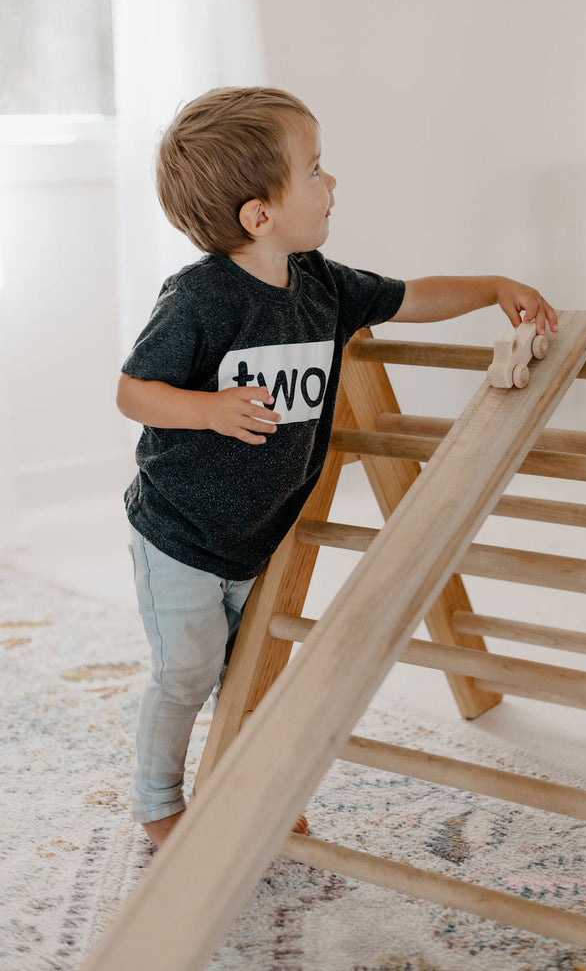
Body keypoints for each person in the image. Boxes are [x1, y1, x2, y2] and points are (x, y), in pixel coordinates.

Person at [117, 86, 558, 849]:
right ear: (260, 215)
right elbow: (133, 391)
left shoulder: (319, 282)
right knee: (189, 673)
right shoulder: (199, 299)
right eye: (315, 170)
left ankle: (249, 782)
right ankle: (158, 797)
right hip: (181, 533)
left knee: (251, 676)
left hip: (259, 534)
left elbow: (410, 297)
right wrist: (211, 409)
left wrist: (492, 286)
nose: (332, 184)